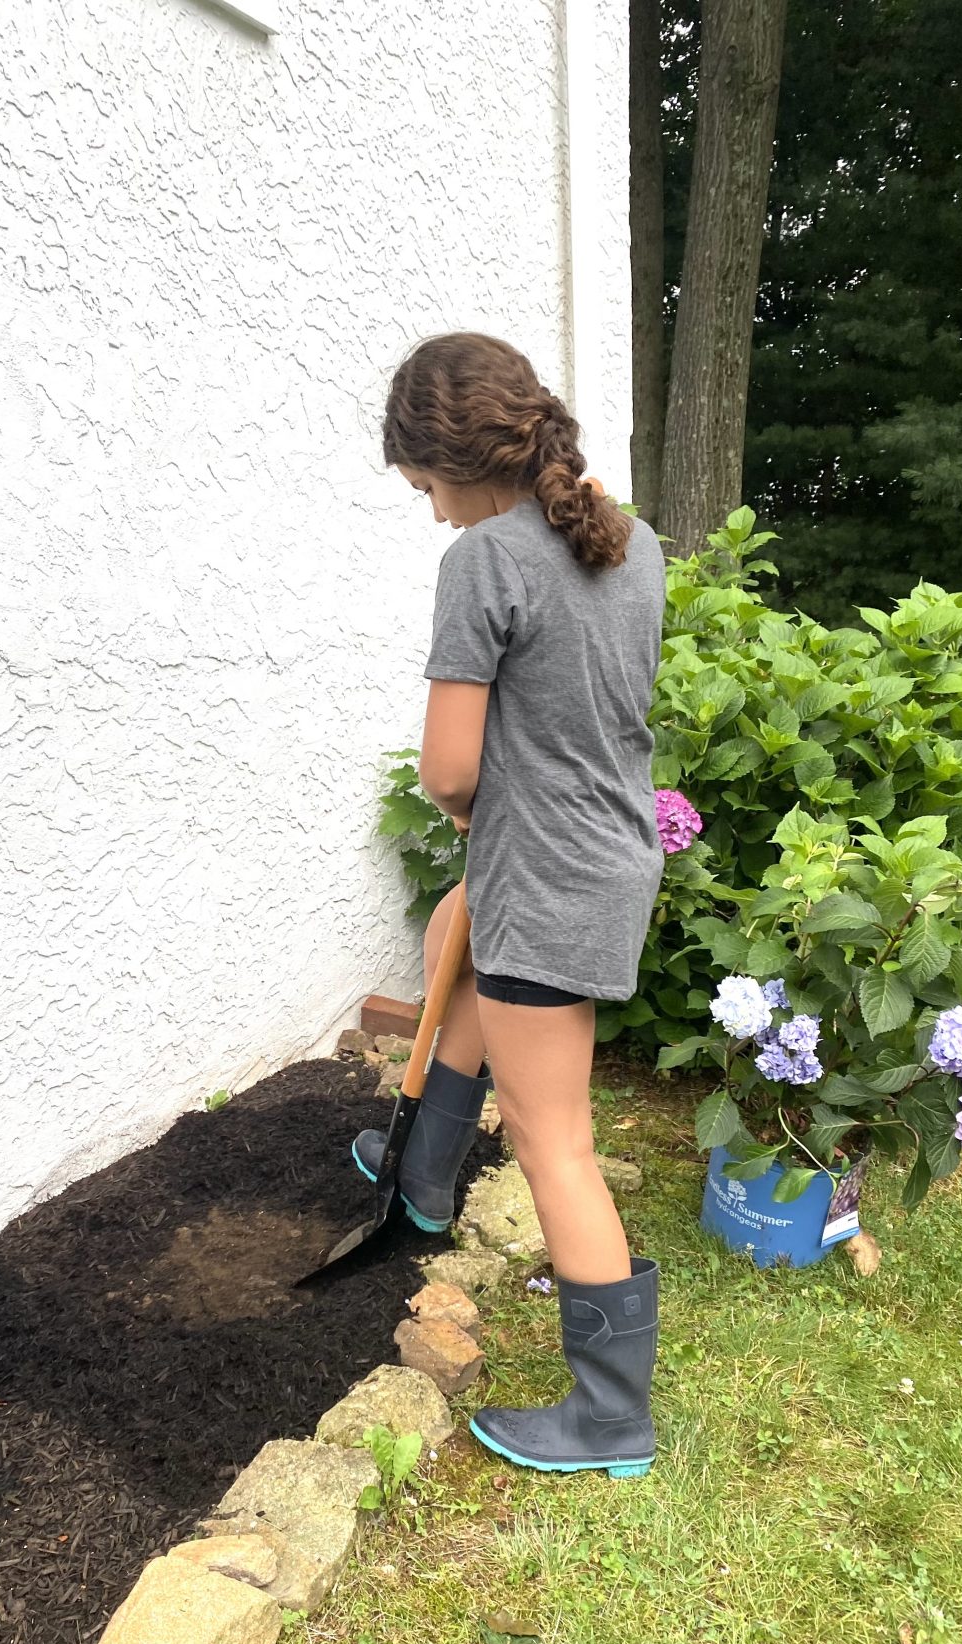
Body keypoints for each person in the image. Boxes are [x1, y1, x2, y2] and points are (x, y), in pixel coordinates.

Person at [352, 333, 666, 1477]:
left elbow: (448, 767)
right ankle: (422, 1184)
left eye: (429, 489)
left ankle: (611, 1417)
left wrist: (475, 825)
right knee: (463, 961)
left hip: (545, 872)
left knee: (553, 1139)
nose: (435, 515)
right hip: (607, 853)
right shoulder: (631, 544)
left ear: (459, 465)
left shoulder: (485, 560)